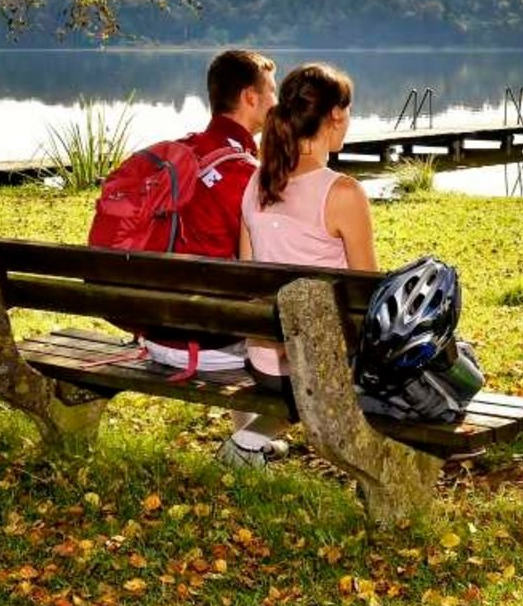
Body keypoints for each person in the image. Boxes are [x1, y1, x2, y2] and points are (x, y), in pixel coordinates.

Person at [224, 63, 377, 466]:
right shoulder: (343, 192)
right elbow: (367, 296)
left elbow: (248, 277)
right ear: (336, 115)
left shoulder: (257, 182)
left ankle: (250, 439)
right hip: (319, 370)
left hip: (264, 364)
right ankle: (247, 441)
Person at [140, 48, 276, 373]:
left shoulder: (180, 154)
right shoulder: (245, 174)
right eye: (272, 91)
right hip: (210, 343)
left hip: (156, 333)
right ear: (250, 97)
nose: (277, 101)